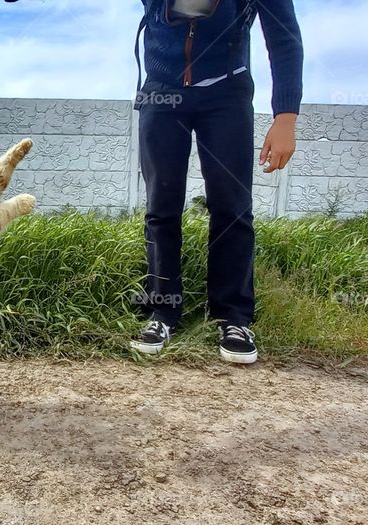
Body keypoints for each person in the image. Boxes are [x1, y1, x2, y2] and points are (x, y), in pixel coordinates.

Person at [130, 0, 303, 363]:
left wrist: (285, 117)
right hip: (161, 93)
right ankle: (162, 312)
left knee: (232, 209)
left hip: (227, 94)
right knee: (160, 208)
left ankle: (233, 318)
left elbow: (283, 38)